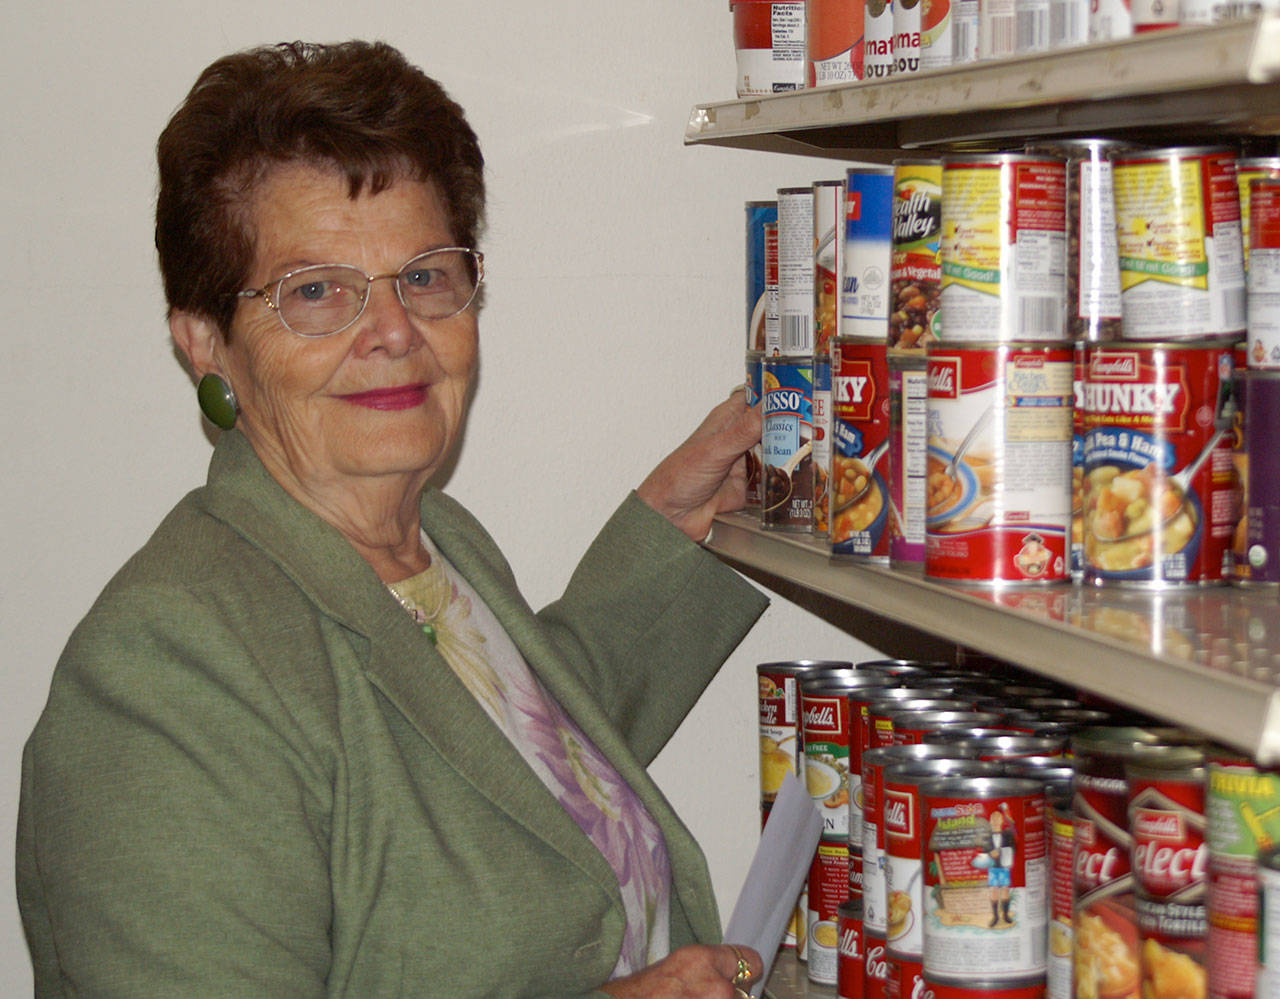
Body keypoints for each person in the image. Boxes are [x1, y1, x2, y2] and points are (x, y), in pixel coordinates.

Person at [17, 40, 769, 998]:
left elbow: (503, 769)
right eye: (317, 291)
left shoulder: (436, 543)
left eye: (424, 275)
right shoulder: (162, 673)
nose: (393, 330)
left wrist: (669, 523)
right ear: (206, 344)